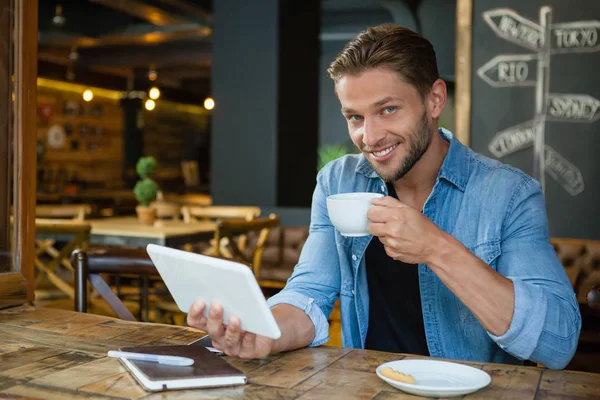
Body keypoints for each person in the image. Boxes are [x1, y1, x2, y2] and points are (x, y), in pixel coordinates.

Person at [187, 24, 581, 369]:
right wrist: (266, 333)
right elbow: (309, 293)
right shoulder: (337, 182)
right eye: (355, 117)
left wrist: (435, 247)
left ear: (434, 100)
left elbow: (558, 343)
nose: (369, 138)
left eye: (388, 109)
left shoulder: (509, 194)